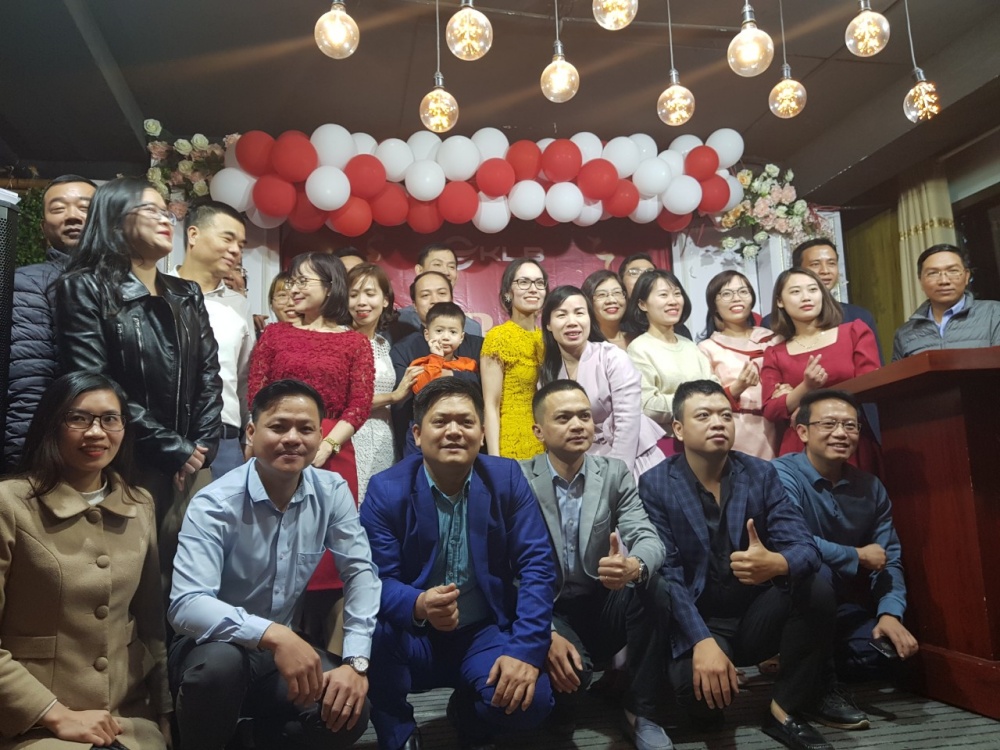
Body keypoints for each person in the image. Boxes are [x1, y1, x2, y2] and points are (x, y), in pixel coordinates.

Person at [169, 379, 380, 750]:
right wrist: (276, 635)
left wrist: (355, 661)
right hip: (211, 648)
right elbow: (187, 605)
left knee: (348, 709)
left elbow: (360, 573)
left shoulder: (331, 491)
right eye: (279, 426)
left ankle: (252, 740)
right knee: (218, 668)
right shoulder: (214, 503)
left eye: (305, 429)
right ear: (251, 432)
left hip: (274, 658)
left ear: (320, 436)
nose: (292, 439)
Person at [639, 380, 849, 750]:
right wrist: (701, 640)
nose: (718, 423)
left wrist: (777, 562)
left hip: (755, 614)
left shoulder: (760, 474)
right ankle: (706, 672)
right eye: (703, 416)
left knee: (818, 579)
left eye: (725, 415)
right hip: (700, 618)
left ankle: (783, 710)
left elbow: (805, 547)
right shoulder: (656, 483)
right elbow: (667, 575)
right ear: (678, 429)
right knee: (702, 706)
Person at [360, 378, 556, 750]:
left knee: (531, 702)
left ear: (482, 434)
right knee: (373, 631)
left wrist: (526, 651)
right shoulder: (386, 489)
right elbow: (373, 580)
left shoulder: (506, 478)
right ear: (417, 434)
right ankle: (398, 733)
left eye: (466, 422)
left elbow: (537, 565)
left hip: (483, 630)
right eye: (441, 421)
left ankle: (468, 717)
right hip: (413, 637)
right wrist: (418, 604)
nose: (454, 431)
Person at [0, 372, 170, 749]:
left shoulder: (139, 504)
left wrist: (164, 712)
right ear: (51, 425)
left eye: (110, 419)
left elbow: (150, 623)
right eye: (78, 418)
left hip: (127, 720)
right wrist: (54, 714)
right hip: (31, 723)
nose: (96, 432)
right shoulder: (9, 504)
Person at [54, 177, 222, 548]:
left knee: (191, 568)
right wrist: (172, 448)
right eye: (151, 210)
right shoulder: (85, 286)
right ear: (116, 220)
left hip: (192, 463)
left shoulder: (186, 292)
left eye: (167, 212)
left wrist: (201, 447)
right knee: (129, 569)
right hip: (124, 459)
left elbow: (209, 375)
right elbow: (94, 382)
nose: (166, 219)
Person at [520, 380, 672, 750]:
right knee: (572, 681)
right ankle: (563, 707)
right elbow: (506, 569)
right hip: (547, 607)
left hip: (601, 600)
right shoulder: (520, 478)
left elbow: (649, 537)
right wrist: (544, 631)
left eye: (584, 416)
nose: (578, 425)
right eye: (564, 418)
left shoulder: (614, 473)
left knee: (655, 586)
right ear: (538, 431)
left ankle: (642, 711)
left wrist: (634, 565)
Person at [248, 251, 374, 592]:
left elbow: (359, 406)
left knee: (329, 550)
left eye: (303, 281)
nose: (293, 288)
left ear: (331, 286)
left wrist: (328, 445)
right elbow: (256, 393)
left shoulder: (355, 342)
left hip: (332, 450)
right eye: (292, 281)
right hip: (277, 445)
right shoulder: (274, 334)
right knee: (269, 541)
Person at [774, 389, 918, 684]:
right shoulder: (779, 473)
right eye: (828, 424)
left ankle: (797, 658)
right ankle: (806, 670)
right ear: (802, 432)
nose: (841, 433)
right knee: (816, 570)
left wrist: (890, 613)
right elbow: (793, 543)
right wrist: (857, 555)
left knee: (884, 657)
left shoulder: (870, 487)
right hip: (783, 599)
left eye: (850, 425)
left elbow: (888, 559)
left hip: (839, 605)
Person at [5, 175, 96, 471]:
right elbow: (29, 381)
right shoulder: (30, 283)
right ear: (44, 228)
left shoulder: (128, 283)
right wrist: (26, 465)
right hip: (58, 452)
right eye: (58, 208)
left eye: (85, 207)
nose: (72, 216)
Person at [761, 268, 881, 471]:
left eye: (813, 289)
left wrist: (808, 406)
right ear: (780, 301)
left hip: (849, 437)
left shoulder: (854, 331)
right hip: (800, 445)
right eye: (796, 291)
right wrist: (806, 387)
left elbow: (870, 385)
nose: (806, 297)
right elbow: (771, 410)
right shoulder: (775, 352)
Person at [540, 285, 665, 478]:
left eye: (579, 313)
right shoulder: (548, 373)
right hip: (584, 466)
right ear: (548, 324)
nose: (572, 322)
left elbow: (627, 420)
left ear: (590, 319)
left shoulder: (612, 357)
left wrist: (617, 476)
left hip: (634, 459)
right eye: (561, 315)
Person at [172, 199, 252, 478]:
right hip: (166, 435)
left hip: (224, 439)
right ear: (193, 234)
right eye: (228, 239)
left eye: (241, 245)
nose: (236, 250)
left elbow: (244, 379)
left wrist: (247, 438)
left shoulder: (239, 305)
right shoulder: (156, 292)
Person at [623, 270, 717, 455]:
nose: (673, 301)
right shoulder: (639, 348)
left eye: (677, 293)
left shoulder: (689, 345)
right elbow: (647, 405)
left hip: (704, 439)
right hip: (666, 444)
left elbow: (714, 386)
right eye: (663, 295)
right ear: (642, 304)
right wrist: (696, 402)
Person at [390, 272, 484, 456]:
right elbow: (416, 391)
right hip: (424, 431)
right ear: (414, 305)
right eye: (425, 295)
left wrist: (450, 375)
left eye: (441, 293)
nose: (434, 300)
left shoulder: (477, 348)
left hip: (465, 429)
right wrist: (437, 360)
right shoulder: (405, 350)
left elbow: (485, 387)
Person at [697, 271, 782, 460]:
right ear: (714, 305)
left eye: (743, 291)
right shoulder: (707, 348)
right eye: (726, 294)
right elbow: (704, 401)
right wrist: (738, 387)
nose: (736, 298)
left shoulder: (774, 339)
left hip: (779, 426)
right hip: (737, 429)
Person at [347, 262, 413, 501]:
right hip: (349, 438)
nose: (361, 302)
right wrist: (394, 396)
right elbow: (346, 400)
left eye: (369, 293)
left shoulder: (383, 345)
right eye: (353, 294)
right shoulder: (340, 340)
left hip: (385, 438)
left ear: (385, 300)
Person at [762, 239, 881, 359]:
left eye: (831, 263)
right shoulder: (773, 323)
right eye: (815, 264)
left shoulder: (859, 317)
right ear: (798, 270)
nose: (825, 271)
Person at [481, 258, 548, 459]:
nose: (533, 289)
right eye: (524, 282)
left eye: (539, 283)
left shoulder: (548, 340)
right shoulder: (498, 338)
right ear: (508, 293)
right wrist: (495, 460)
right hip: (512, 445)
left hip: (549, 443)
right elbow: (491, 405)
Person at [892, 243, 1000, 359]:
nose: (944, 281)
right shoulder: (905, 334)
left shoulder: (994, 314)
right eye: (933, 273)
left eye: (953, 271)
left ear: (966, 276)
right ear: (921, 281)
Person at [397, 244, 483, 336]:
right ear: (419, 270)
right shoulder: (397, 323)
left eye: (451, 266)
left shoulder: (471, 329)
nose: (446, 272)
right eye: (437, 264)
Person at [617, 255, 692, 339]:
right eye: (634, 272)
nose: (642, 277)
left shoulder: (681, 331)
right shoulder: (617, 327)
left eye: (649, 272)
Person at [409, 302, 478, 393]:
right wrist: (436, 358)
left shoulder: (470, 364)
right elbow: (421, 389)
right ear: (427, 335)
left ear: (461, 338)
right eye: (439, 331)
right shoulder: (420, 364)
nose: (445, 337)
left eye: (453, 332)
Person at [582, 269, 630, 350]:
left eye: (617, 293)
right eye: (601, 295)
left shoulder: (639, 339)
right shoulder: (584, 346)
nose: (611, 300)